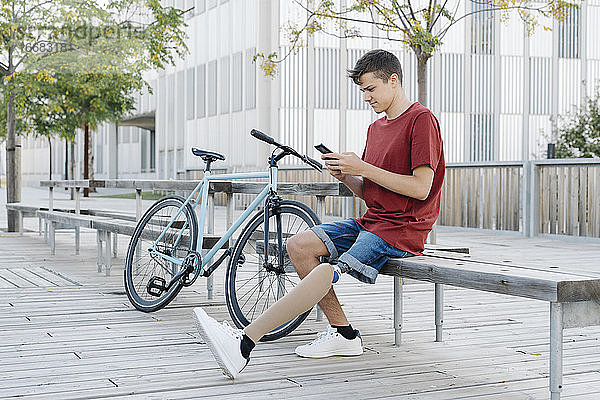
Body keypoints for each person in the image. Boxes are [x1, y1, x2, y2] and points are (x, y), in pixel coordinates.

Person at [192, 49, 445, 379]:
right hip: (374, 220)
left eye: (371, 89)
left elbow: (421, 188)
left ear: (393, 81)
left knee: (328, 271)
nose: (367, 97)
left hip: (403, 229)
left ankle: (244, 344)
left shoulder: (421, 120)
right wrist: (349, 176)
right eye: (363, 91)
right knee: (299, 246)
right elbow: (372, 193)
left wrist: (363, 166)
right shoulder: (375, 129)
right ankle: (344, 334)